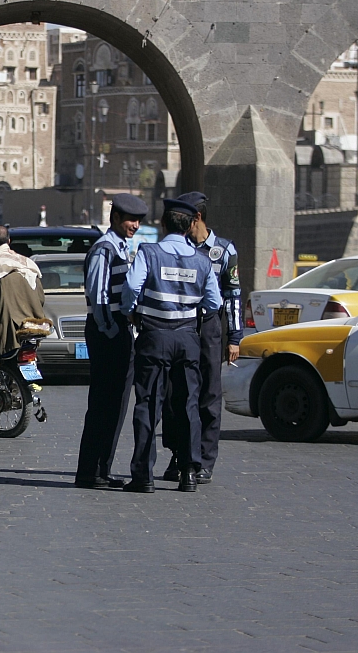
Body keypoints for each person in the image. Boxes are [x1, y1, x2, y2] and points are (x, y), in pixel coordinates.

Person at [121, 198, 222, 493]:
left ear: (163, 224)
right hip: (188, 338)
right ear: (191, 226)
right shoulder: (202, 261)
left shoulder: (149, 253)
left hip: (154, 336)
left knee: (148, 405)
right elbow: (214, 302)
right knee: (189, 404)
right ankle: (189, 472)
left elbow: (130, 287)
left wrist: (131, 309)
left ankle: (143, 475)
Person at [161, 193, 242, 485]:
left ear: (195, 217)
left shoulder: (223, 250)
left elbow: (233, 296)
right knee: (176, 394)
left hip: (208, 327)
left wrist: (234, 336)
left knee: (208, 395)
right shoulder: (177, 248)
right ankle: (179, 454)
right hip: (179, 325)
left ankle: (204, 459)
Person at [74, 194, 149, 490]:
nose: (136, 225)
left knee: (116, 406)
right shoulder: (104, 250)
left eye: (139, 220)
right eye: (131, 219)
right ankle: (90, 471)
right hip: (109, 333)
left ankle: (101, 469)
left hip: (117, 332)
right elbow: (99, 296)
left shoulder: (121, 248)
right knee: (104, 405)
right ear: (115, 217)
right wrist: (113, 332)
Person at [0, 225, 47, 358]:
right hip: (32, 329)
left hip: (6, 334)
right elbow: (40, 298)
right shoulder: (27, 263)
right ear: (9, 241)